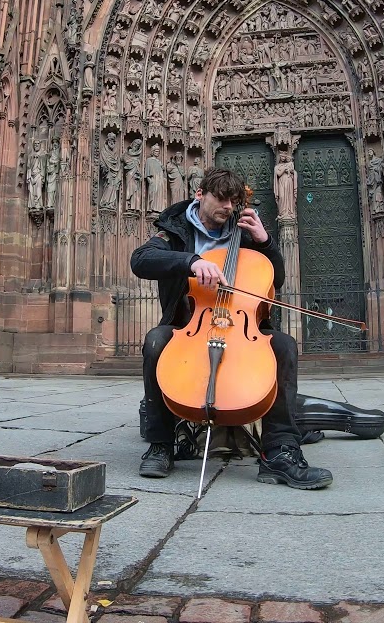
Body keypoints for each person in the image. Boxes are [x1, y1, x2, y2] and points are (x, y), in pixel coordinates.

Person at [130, 167, 333, 490]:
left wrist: (265, 242)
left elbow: (274, 278)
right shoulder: (177, 228)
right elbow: (141, 260)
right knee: (156, 340)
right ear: (200, 195)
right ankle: (161, 445)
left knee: (283, 345)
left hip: (240, 325)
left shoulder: (245, 231)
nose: (227, 206)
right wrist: (191, 262)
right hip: (189, 325)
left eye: (234, 201)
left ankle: (280, 452)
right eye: (221, 198)